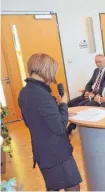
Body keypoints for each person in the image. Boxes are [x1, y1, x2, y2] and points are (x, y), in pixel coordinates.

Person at [18, 53, 82, 191]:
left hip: (42, 150)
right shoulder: (42, 96)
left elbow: (33, 120)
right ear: (46, 70)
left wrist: (57, 110)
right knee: (72, 186)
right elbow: (59, 127)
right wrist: (63, 104)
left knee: (53, 187)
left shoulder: (25, 92)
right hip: (56, 152)